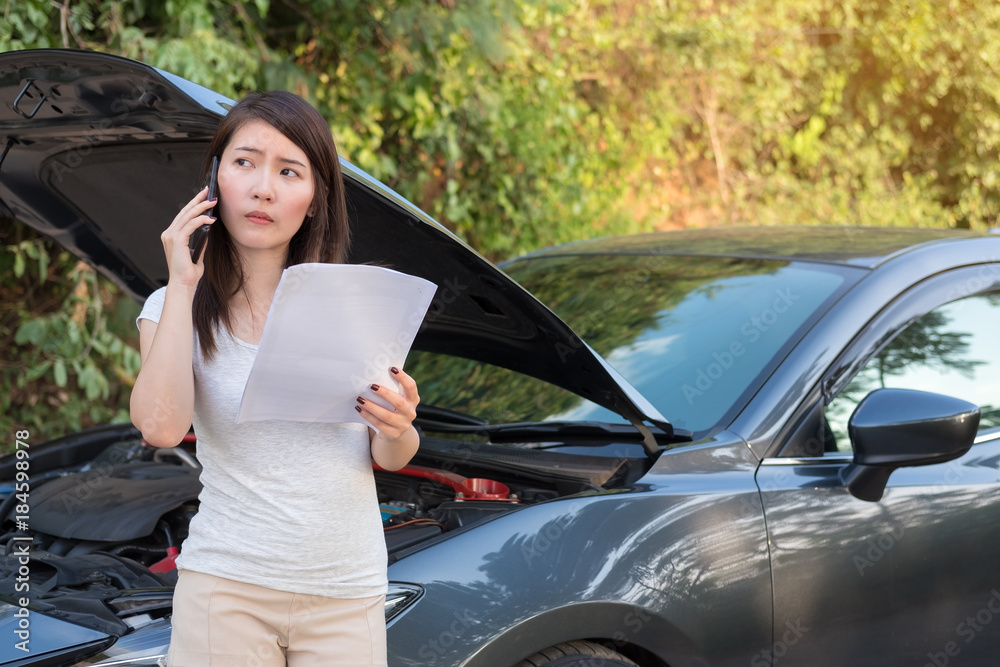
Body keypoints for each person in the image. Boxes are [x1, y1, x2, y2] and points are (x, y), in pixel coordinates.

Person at [129, 90, 420, 667]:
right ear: (214, 181)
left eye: (290, 171)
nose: (264, 188)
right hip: (227, 586)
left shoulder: (354, 304)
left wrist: (398, 424)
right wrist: (183, 282)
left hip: (346, 591)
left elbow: (391, 455)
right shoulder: (172, 304)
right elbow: (161, 428)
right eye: (245, 162)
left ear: (314, 199)